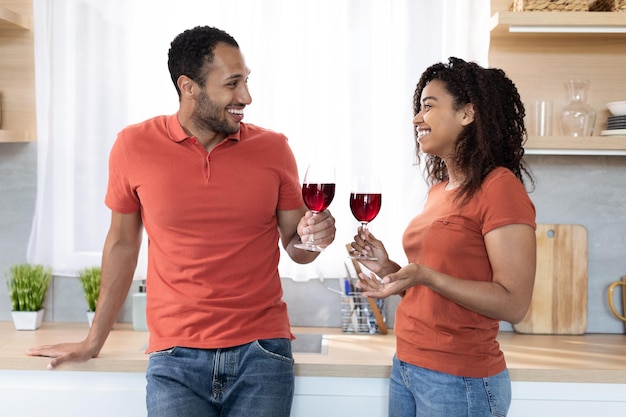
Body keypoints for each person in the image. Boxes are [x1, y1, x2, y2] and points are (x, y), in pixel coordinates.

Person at [27, 26, 336, 417]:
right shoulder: (133, 145)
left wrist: (315, 238)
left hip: (261, 353)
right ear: (188, 86)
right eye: (233, 84)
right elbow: (122, 244)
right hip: (174, 357)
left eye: (247, 81)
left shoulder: (274, 149)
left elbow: (297, 246)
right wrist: (93, 339)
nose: (246, 97)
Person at [350, 57, 536, 417]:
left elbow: (514, 305)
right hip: (408, 366)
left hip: (460, 380)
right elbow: (430, 289)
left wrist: (425, 274)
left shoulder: (499, 188)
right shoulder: (440, 191)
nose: (417, 119)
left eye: (428, 107)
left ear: (467, 114)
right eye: (418, 109)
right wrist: (388, 267)